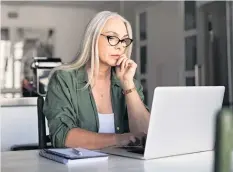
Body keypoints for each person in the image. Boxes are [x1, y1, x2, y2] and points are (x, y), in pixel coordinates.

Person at [43, 11, 150, 150]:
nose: (120, 46)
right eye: (112, 37)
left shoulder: (130, 83)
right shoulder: (64, 79)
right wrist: (120, 139)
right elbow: (63, 137)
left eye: (124, 40)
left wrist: (128, 85)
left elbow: (147, 135)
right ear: (93, 38)